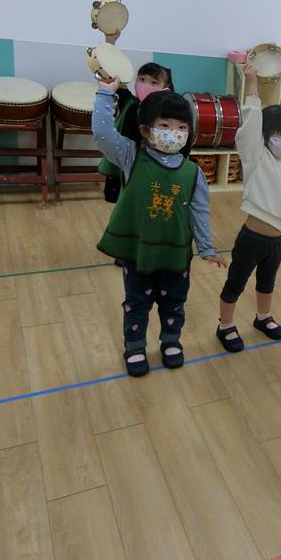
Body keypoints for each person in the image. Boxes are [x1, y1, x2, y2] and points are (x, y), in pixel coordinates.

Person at [93, 77, 226, 377]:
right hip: (138, 251)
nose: (173, 133)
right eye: (165, 126)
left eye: (181, 128)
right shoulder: (131, 156)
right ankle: (135, 346)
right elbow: (102, 134)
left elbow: (200, 212)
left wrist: (206, 248)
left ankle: (171, 341)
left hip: (176, 253)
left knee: (174, 302)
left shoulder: (193, 172)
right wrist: (105, 94)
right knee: (137, 302)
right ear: (146, 130)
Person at [216, 64, 281, 353]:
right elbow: (252, 124)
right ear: (266, 137)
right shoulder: (256, 158)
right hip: (251, 239)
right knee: (236, 283)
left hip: (276, 242)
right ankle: (225, 325)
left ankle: (263, 317)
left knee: (267, 283)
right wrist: (252, 83)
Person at [97, 34, 175, 204]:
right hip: (121, 165)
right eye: (142, 79)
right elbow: (110, 72)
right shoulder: (129, 101)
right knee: (121, 205)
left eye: (154, 82)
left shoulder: (166, 114)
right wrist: (110, 42)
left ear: (166, 89)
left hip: (148, 168)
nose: (146, 85)